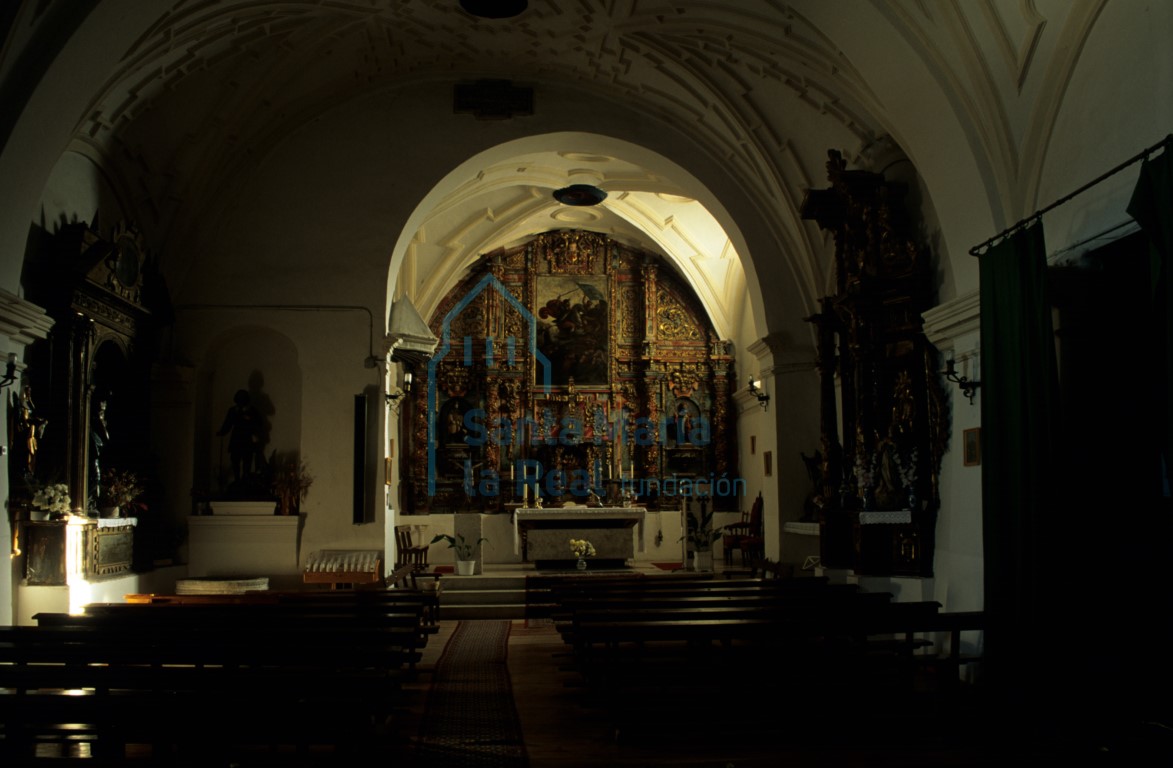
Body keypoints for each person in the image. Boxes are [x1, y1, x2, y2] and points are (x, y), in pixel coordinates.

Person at [217, 389, 264, 483]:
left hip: (247, 438)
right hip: (237, 438)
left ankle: (245, 479)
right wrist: (222, 432)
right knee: (235, 460)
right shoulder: (233, 411)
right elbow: (228, 423)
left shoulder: (252, 411)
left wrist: (249, 420)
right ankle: (237, 479)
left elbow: (259, 423)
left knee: (247, 461)